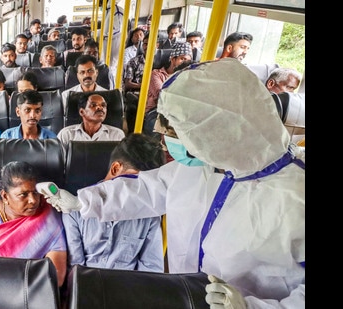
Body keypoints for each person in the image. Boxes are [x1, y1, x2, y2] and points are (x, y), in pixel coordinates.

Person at [43, 58, 305, 308]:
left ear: (219, 130)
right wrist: (84, 201)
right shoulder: (203, 166)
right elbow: (145, 189)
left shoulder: (296, 199)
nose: (166, 141)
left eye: (176, 131)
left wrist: (251, 307)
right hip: (189, 294)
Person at [62, 133, 165, 273]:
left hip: (128, 288)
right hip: (86, 286)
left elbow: (151, 269)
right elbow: (75, 269)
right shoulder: (75, 209)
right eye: (136, 185)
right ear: (116, 169)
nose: (140, 193)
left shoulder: (150, 216)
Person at [0, 161, 67, 287]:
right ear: (5, 196)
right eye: (23, 195)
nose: (33, 200)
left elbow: (56, 276)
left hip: (30, 289)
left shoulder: (48, 216)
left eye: (35, 192)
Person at [143, 42, 193, 136]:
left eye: (187, 60)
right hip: (157, 111)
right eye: (182, 59)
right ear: (173, 59)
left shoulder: (188, 77)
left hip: (178, 112)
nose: (184, 63)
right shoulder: (156, 75)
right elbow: (161, 96)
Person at [57, 93, 125, 154]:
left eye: (103, 105)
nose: (100, 108)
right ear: (82, 112)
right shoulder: (66, 135)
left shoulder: (117, 135)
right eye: (93, 105)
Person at [99, 0, 124, 74]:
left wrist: (104, 36)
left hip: (114, 44)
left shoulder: (116, 10)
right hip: (107, 43)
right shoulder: (108, 11)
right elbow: (105, 29)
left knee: (112, 69)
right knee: (106, 66)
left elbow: (118, 29)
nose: (99, 5)